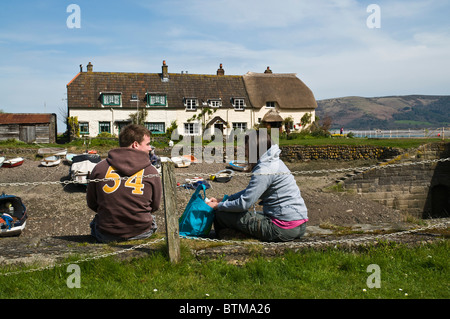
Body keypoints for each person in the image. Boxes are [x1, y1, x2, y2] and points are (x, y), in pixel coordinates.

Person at [207, 130, 308, 242]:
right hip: (298, 224)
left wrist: (217, 206)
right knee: (235, 211)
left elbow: (244, 204)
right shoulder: (274, 161)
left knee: (221, 214)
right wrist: (224, 200)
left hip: (283, 228)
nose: (245, 154)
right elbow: (250, 192)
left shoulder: (264, 169)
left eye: (246, 149)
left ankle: (226, 238)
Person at [87, 124, 162, 243]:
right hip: (141, 232)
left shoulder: (99, 168)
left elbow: (92, 203)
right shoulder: (151, 171)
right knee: (151, 218)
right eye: (147, 144)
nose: (150, 148)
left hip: (107, 233)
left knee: (97, 220)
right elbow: (155, 206)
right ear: (135, 144)